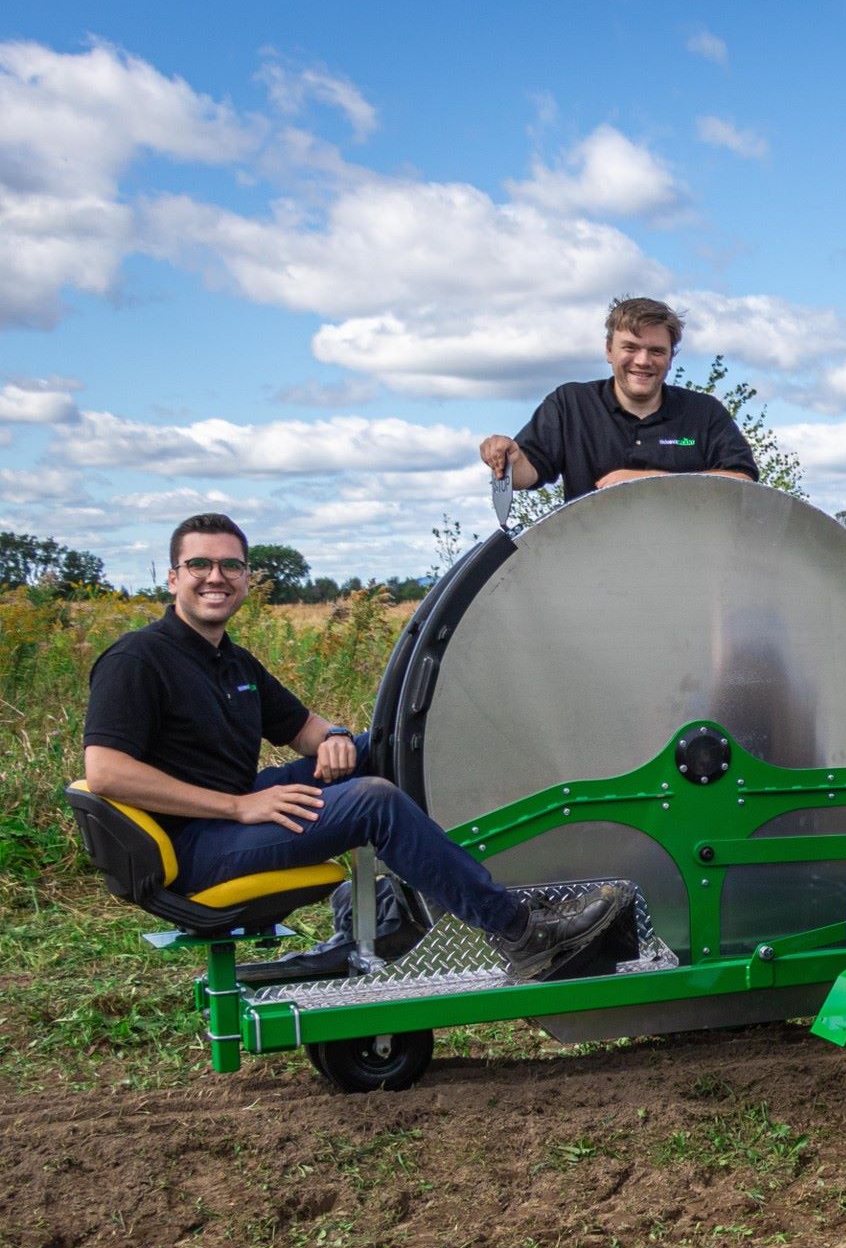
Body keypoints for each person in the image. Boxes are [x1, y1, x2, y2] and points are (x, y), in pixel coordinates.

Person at [82, 515, 632, 980]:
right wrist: (238, 806)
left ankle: (409, 900)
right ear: (174, 578)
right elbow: (105, 773)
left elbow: (304, 728)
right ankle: (519, 931)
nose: (215, 577)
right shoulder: (138, 660)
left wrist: (338, 739)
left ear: (247, 578)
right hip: (196, 846)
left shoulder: (232, 661)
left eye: (230, 566)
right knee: (373, 799)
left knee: (379, 749)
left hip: (236, 811)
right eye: (200, 565)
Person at [479, 297, 758, 501]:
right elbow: (526, 474)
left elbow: (743, 481)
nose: (643, 360)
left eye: (657, 351)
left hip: (687, 567)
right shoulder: (571, 405)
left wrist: (653, 481)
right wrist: (509, 459)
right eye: (630, 348)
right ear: (609, 350)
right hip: (594, 567)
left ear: (671, 358)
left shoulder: (704, 413)